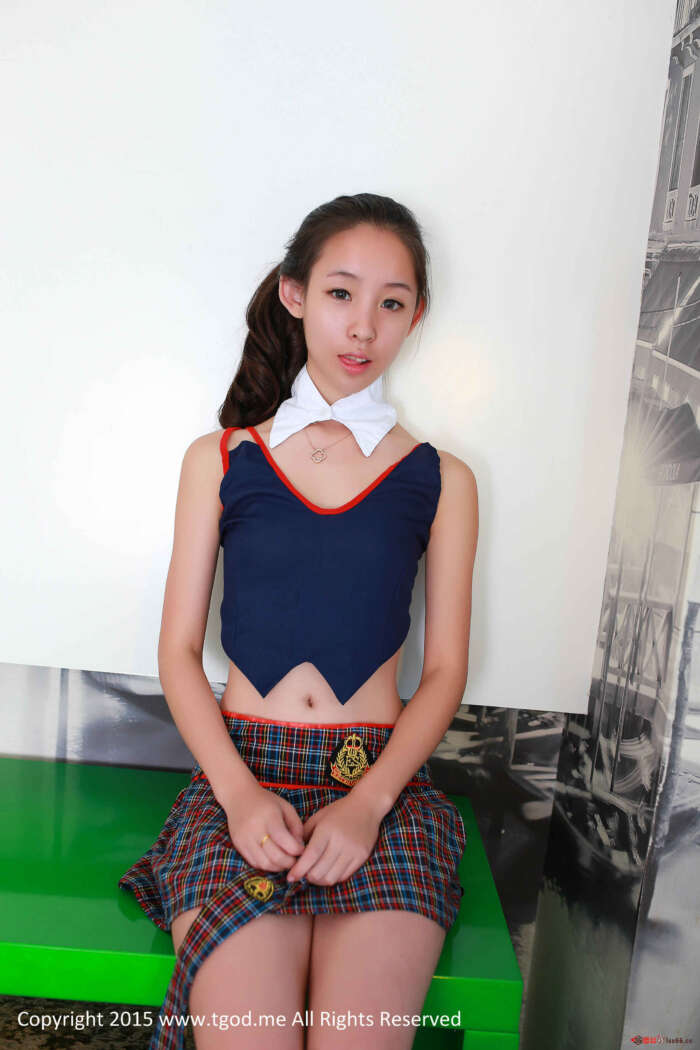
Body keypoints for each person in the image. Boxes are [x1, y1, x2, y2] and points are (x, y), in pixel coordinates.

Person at [118, 191, 479, 1050]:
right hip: (240, 784)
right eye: (341, 293)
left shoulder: (444, 479)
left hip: (381, 793)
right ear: (295, 294)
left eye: (392, 303)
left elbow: (444, 671)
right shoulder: (220, 459)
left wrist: (369, 804)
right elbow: (177, 651)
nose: (363, 327)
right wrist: (239, 795)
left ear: (416, 316)